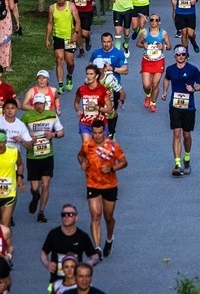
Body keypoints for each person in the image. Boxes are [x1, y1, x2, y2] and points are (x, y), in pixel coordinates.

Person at [76, 118, 125, 257]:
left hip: (110, 185)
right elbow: (80, 156)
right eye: (95, 133)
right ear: (92, 133)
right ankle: (97, 248)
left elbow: (124, 162)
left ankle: (109, 238)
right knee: (95, 215)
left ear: (104, 132)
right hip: (92, 184)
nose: (97, 136)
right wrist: (83, 163)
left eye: (100, 133)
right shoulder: (87, 145)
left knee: (108, 217)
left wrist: (111, 168)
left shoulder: (113, 146)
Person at [163, 46, 200, 177]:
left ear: (186, 56)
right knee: (176, 134)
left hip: (189, 107)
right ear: (175, 56)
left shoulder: (192, 69)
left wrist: (194, 89)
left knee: (186, 135)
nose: (181, 56)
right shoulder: (170, 69)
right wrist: (165, 92)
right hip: (175, 106)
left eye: (183, 54)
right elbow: (166, 79)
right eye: (178, 54)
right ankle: (177, 164)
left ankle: (187, 157)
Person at [23, 92, 64, 222]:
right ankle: (35, 198)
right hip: (33, 157)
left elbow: (61, 132)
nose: (39, 106)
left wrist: (53, 135)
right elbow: (22, 135)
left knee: (45, 184)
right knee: (35, 188)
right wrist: (29, 140)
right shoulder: (27, 116)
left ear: (45, 104)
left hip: (47, 155)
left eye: (41, 103)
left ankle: (41, 212)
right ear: (33, 104)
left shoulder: (52, 115)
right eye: (37, 104)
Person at [41, 205, 99, 289]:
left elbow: (95, 257)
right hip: (56, 282)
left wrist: (90, 263)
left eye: (70, 214)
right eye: (63, 214)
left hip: (76, 283)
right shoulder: (53, 234)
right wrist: (47, 264)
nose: (66, 217)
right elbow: (43, 253)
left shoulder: (82, 236)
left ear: (76, 218)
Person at [46, 0, 82, 92]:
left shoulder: (70, 6)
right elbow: (50, 23)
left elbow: (78, 20)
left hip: (69, 37)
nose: (60, 1)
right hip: (58, 37)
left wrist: (75, 33)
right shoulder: (52, 8)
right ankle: (60, 85)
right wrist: (47, 38)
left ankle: (69, 76)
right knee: (59, 60)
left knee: (70, 62)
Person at [136, 15, 170, 112]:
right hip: (147, 60)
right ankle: (148, 95)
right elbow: (138, 43)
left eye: (156, 20)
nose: (154, 22)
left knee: (155, 85)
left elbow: (169, 46)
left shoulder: (163, 34)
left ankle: (153, 103)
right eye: (151, 20)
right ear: (149, 21)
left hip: (159, 61)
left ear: (159, 22)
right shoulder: (144, 33)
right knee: (147, 85)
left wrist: (163, 47)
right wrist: (143, 45)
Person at [0, 131, 23, 229]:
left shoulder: (14, 152)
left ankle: (7, 244)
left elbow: (20, 165)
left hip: (9, 194)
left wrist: (20, 177)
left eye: (1, 142)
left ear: (5, 141)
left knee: (5, 224)